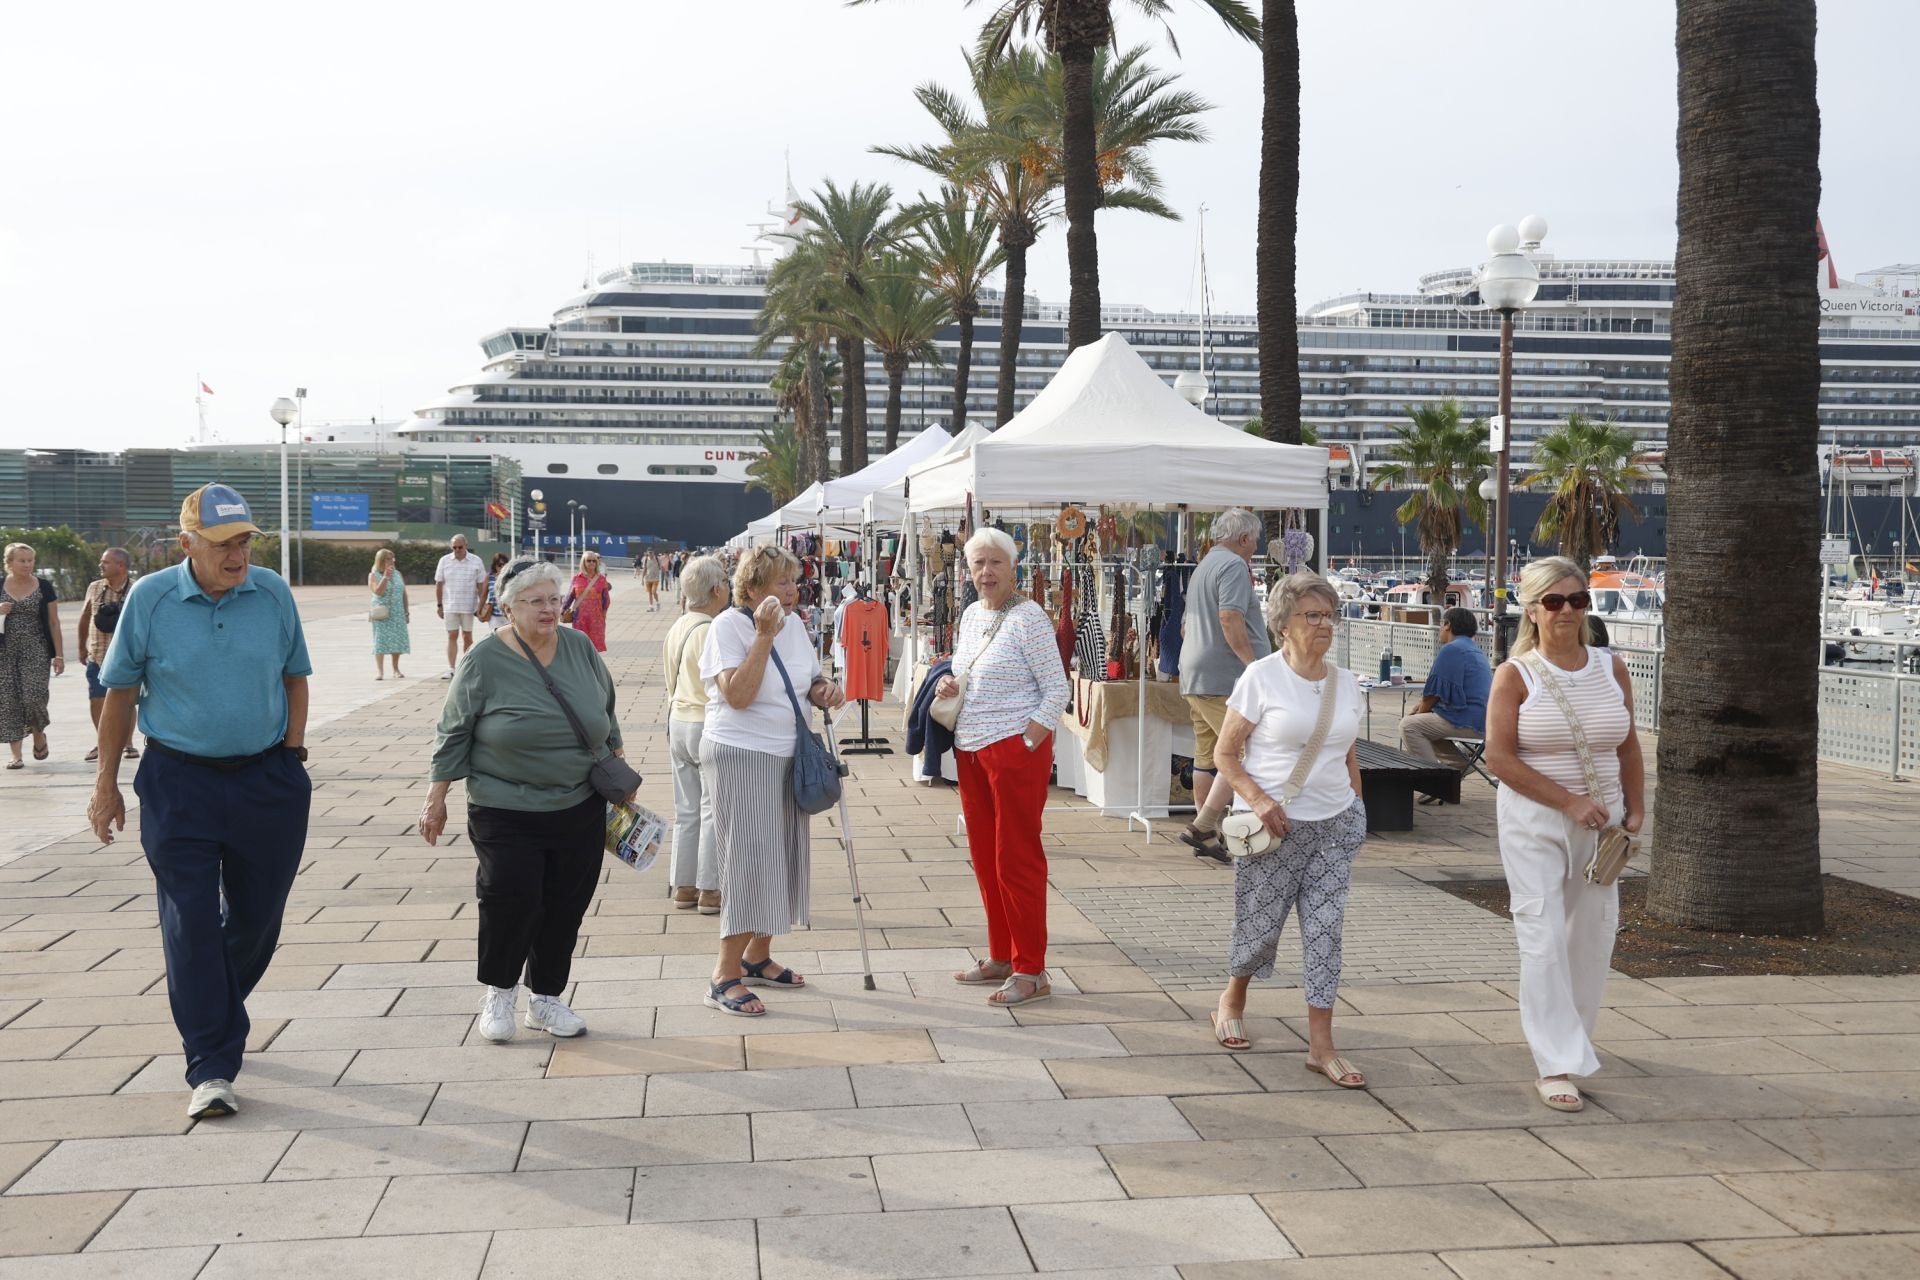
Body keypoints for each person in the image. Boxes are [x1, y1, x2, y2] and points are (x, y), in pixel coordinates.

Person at [87, 484, 312, 1120]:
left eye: (243, 541)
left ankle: (214, 1007)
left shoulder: (270, 592)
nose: (237, 555)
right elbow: (121, 695)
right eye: (221, 544)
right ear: (186, 544)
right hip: (178, 782)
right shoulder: (151, 599)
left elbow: (295, 675)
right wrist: (106, 784)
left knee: (257, 917)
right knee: (188, 921)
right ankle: (211, 1064)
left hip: (267, 781)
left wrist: (292, 755)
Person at [422, 557, 629, 1043]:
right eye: (535, 601)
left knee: (565, 903)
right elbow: (454, 729)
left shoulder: (579, 647)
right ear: (508, 608)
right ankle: (499, 990)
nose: (548, 609)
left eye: (554, 600)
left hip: (578, 803)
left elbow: (606, 711)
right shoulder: (484, 660)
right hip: (503, 805)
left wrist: (619, 765)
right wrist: (436, 797)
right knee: (510, 897)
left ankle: (546, 998)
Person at [1485, 556, 1644, 1114]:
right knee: (1544, 933)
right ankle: (1553, 1062)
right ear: (1532, 609)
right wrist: (1569, 801)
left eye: (1578, 601)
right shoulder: (1516, 674)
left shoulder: (1611, 667)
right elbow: (1499, 758)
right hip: (1536, 821)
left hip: (1603, 827)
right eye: (1555, 602)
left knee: (1591, 936)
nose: (1568, 611)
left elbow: (1626, 743)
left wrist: (1637, 810)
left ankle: (1574, 1045)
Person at [1209, 572, 1368, 1086]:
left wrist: (1357, 809)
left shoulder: (1346, 683)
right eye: (1311, 616)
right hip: (1274, 827)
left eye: (1329, 616)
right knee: (1260, 925)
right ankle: (1232, 997)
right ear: (1283, 624)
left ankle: (1320, 1045)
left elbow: (1347, 752)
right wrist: (1257, 800)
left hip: (1334, 827)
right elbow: (1225, 754)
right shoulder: (1261, 677)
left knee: (1326, 934)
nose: (1324, 625)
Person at [697, 546, 844, 1016]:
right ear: (753, 587)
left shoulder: (797, 625)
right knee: (748, 861)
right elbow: (737, 695)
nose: (792, 589)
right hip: (741, 755)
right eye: (781, 582)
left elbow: (804, 679)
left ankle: (757, 956)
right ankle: (724, 974)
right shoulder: (728, 626)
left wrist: (822, 689)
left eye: (794, 580)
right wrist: (763, 636)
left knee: (782, 855)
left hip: (787, 755)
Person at [939, 528, 1069, 1006]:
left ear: (1014, 568)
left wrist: (1027, 740)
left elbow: (1058, 689)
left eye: (996, 563)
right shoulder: (972, 615)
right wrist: (947, 688)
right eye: (978, 564)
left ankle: (1031, 968)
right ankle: (1001, 955)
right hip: (970, 749)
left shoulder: (1030, 617)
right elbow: (960, 670)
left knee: (1017, 860)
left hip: (1012, 753)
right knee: (987, 859)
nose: (986, 573)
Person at [1177, 508, 1271, 863]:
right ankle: (1208, 827)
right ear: (1244, 537)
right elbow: (1230, 617)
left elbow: (1188, 626)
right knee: (1245, 752)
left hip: (1197, 673)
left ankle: (1207, 831)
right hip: (1223, 677)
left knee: (1208, 755)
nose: (1256, 546)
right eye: (1256, 539)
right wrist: (1255, 666)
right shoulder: (1233, 566)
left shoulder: (1204, 565)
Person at [664, 555, 729, 915]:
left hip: (678, 721)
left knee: (686, 810)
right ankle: (710, 887)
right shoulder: (710, 630)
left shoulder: (679, 626)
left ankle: (683, 885)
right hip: (705, 722)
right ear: (716, 589)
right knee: (710, 810)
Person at [1399, 606, 1491, 776]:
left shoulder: (1452, 649)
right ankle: (1460, 765)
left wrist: (1419, 713)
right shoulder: (1475, 650)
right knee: (1427, 726)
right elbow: (1439, 691)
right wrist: (1421, 709)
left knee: (1409, 726)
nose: (1440, 629)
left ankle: (1434, 781)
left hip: (1467, 721)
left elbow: (1433, 694)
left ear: (1447, 625)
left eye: (1441, 624)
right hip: (1484, 720)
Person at [1, 542, 63, 768]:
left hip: (36, 649)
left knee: (34, 698)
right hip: (4, 652)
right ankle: (16, 755)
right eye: (22, 560)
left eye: (30, 560)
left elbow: (54, 623)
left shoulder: (44, 586)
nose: (27, 564)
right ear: (9, 563)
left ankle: (38, 734)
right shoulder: (0, 584)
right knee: (8, 701)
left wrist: (59, 655)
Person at [77, 547, 139, 764]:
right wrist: (81, 647)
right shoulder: (94, 588)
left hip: (126, 656)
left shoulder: (136, 588)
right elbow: (85, 617)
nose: (101, 565)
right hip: (98, 653)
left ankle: (128, 743)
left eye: (106, 562)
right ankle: (103, 741)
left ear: (121, 566)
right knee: (96, 700)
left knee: (127, 701)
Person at [434, 534, 488, 679]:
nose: (457, 550)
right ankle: (451, 668)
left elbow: (481, 585)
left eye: (460, 547)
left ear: (466, 545)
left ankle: (467, 666)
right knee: (452, 635)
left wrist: (481, 605)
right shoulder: (444, 561)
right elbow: (439, 584)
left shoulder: (476, 561)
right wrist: (439, 605)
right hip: (450, 605)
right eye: (454, 547)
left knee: (467, 637)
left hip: (469, 605)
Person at [367, 549, 412, 680]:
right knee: (380, 640)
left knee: (397, 640)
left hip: (397, 612)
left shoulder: (398, 574)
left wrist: (406, 612)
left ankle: (396, 669)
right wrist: (386, 577)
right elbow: (378, 592)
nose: (392, 561)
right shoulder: (374, 575)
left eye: (393, 558)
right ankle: (380, 671)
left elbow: (403, 593)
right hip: (382, 612)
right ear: (381, 560)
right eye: (388, 558)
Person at [568, 551, 613, 652]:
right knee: (580, 645)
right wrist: (563, 611)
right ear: (583, 562)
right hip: (579, 618)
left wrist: (603, 614)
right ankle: (582, 666)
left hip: (596, 618)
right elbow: (569, 596)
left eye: (594, 561)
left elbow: (606, 599)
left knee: (594, 647)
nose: (592, 563)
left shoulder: (601, 579)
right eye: (589, 561)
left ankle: (593, 666)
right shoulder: (576, 578)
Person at [483, 552, 511, 631]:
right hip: (494, 615)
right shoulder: (489, 577)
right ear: (495, 566)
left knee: (508, 638)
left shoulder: (511, 577)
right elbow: (483, 595)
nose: (502, 567)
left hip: (508, 614)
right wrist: (479, 610)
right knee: (496, 637)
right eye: (499, 565)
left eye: (504, 564)